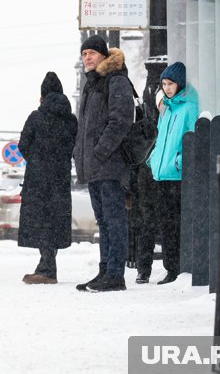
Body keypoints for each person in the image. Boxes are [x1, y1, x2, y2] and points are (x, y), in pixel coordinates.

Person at [73, 35, 134, 292]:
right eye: (84, 53)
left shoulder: (116, 80)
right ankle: (105, 270)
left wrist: (99, 152)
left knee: (114, 219)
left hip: (110, 164)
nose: (87, 57)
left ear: (103, 56)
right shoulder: (91, 85)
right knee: (104, 221)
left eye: (92, 53)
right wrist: (82, 156)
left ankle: (116, 275)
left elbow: (120, 121)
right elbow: (85, 127)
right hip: (95, 166)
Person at [18, 72, 78, 284]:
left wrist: (36, 161)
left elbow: (23, 144)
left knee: (42, 222)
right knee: (54, 221)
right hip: (60, 178)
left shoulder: (36, 116)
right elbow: (74, 147)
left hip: (38, 179)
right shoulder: (71, 120)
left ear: (42, 96)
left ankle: (47, 269)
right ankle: (46, 265)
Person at [143, 62, 198, 285]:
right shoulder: (167, 109)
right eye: (164, 84)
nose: (166, 88)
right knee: (166, 224)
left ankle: (177, 267)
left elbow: (192, 139)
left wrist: (178, 162)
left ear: (180, 84)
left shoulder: (189, 107)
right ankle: (170, 267)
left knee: (175, 223)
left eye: (171, 84)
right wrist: (154, 159)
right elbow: (161, 138)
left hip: (177, 175)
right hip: (162, 174)